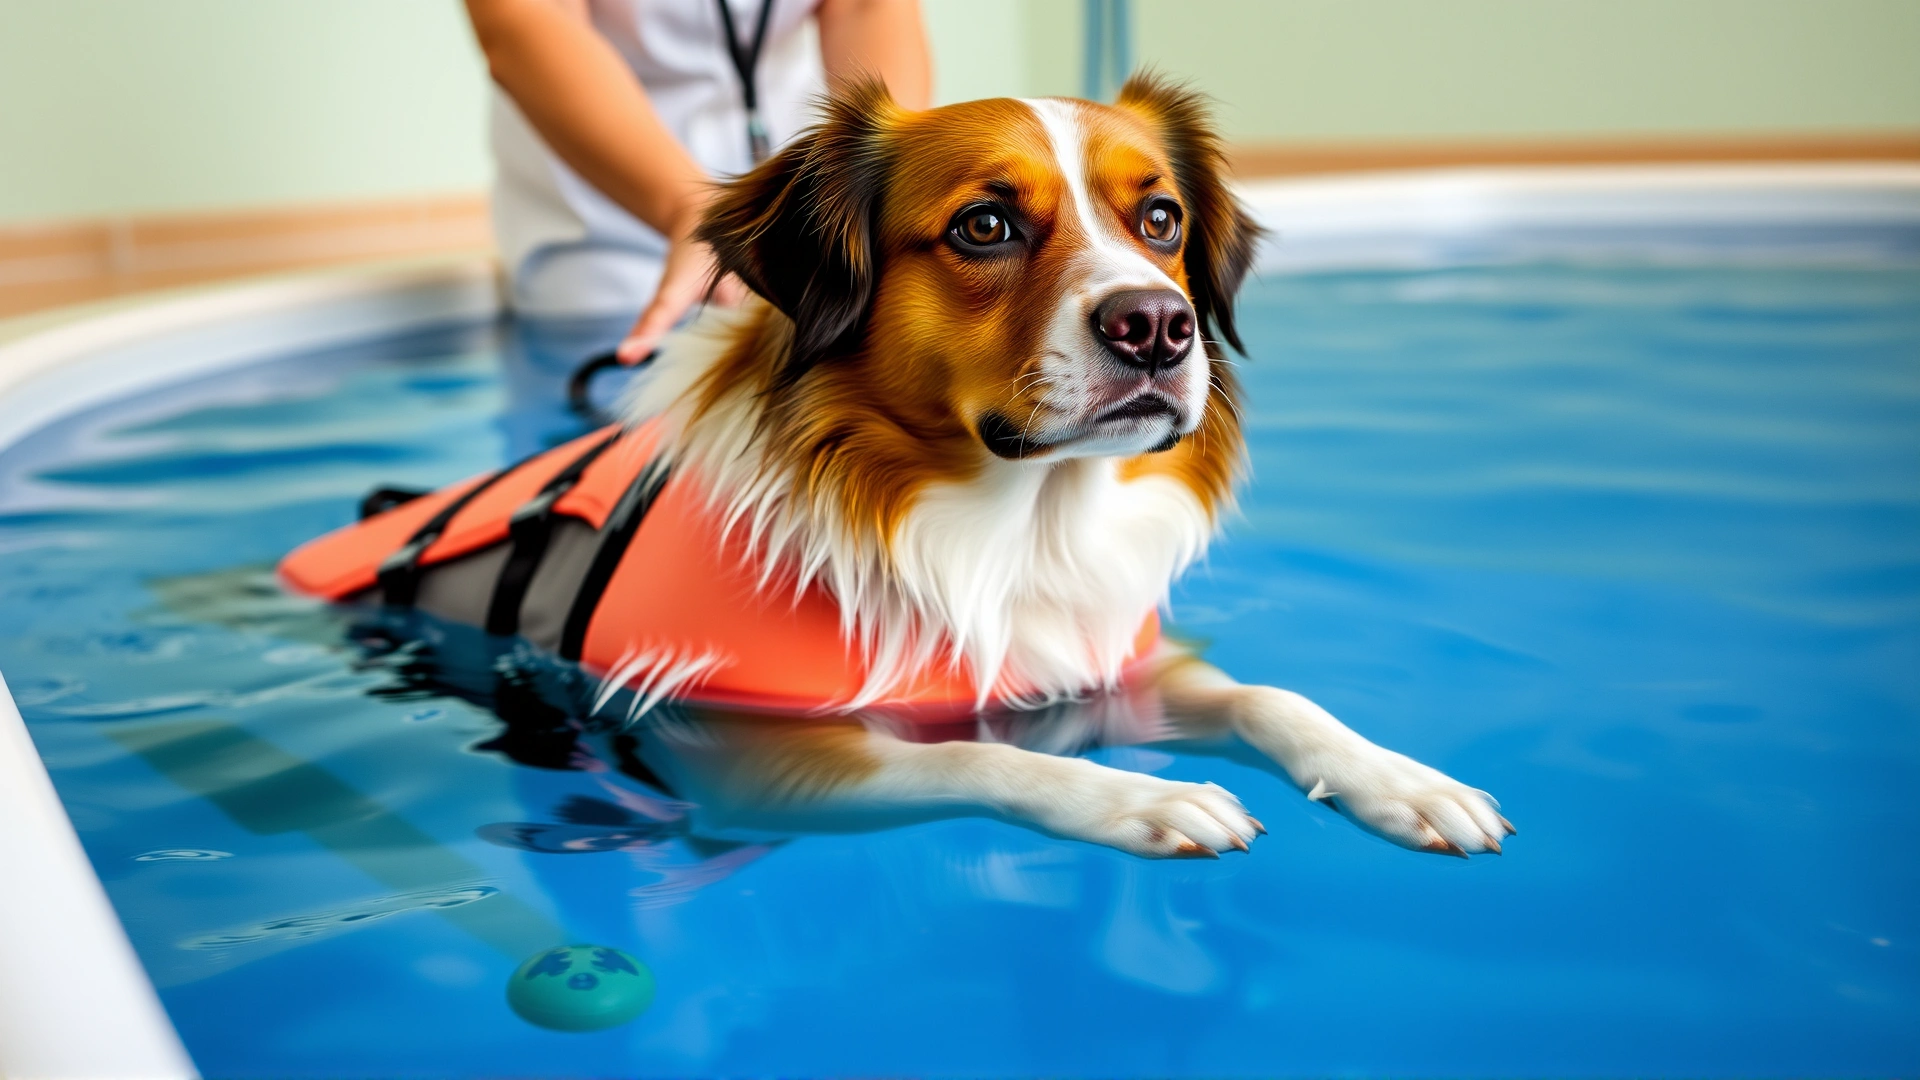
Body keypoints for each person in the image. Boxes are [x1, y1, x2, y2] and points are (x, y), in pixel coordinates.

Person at [464, 0, 932, 364]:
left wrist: (884, 186)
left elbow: (867, 7)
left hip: (798, 197)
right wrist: (690, 208)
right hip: (604, 216)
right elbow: (524, 17)